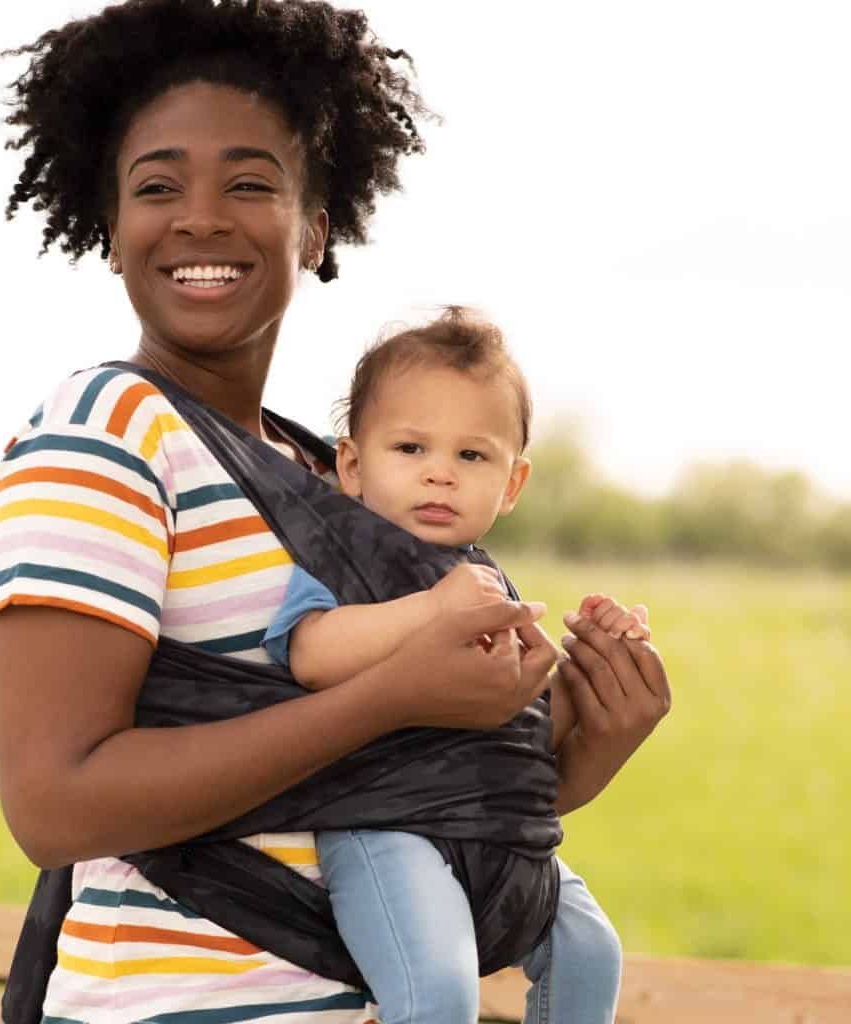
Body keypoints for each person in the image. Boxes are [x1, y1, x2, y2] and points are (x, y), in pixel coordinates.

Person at [0, 2, 672, 1022]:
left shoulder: (332, 473)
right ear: (111, 223)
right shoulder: (106, 431)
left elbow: (391, 803)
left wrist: (580, 750)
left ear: (314, 225)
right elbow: (55, 802)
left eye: (249, 183)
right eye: (156, 186)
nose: (200, 217)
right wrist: (391, 693)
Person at [260, 307, 650, 1024]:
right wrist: (427, 613)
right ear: (352, 465)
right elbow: (310, 653)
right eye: (410, 448)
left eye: (472, 457)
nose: (440, 474)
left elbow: (516, 725)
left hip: (494, 828)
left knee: (592, 948)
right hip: (384, 827)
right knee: (438, 992)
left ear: (511, 484)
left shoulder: (483, 576)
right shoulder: (343, 556)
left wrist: (593, 664)